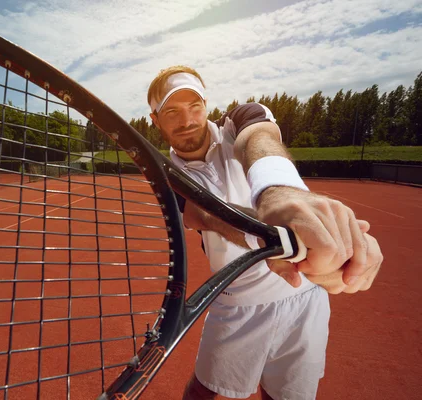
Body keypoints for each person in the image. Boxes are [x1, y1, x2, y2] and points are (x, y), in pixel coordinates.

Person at [146, 66, 383, 400]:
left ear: (206, 105)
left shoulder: (242, 118)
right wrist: (282, 240)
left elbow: (260, 139)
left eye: (195, 106)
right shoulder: (166, 175)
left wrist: (280, 191)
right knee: (205, 393)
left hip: (306, 297)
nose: (187, 121)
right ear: (155, 119)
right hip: (238, 303)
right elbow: (206, 215)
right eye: (172, 112)